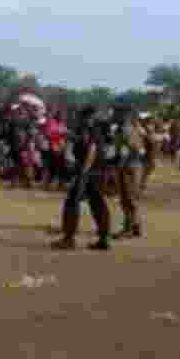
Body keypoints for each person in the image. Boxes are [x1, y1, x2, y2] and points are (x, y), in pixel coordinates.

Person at [54, 106, 112, 251]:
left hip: (88, 171)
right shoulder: (95, 129)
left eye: (81, 117)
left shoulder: (89, 129)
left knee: (72, 202)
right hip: (98, 171)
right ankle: (104, 239)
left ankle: (68, 239)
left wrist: (83, 172)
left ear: (86, 117)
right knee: (98, 203)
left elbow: (91, 149)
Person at [113, 106, 144, 239]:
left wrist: (123, 158)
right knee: (129, 199)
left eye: (116, 112)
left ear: (123, 114)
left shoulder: (127, 129)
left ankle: (128, 229)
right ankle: (135, 226)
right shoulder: (123, 129)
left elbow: (136, 149)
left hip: (129, 167)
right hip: (129, 166)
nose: (114, 115)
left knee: (128, 199)